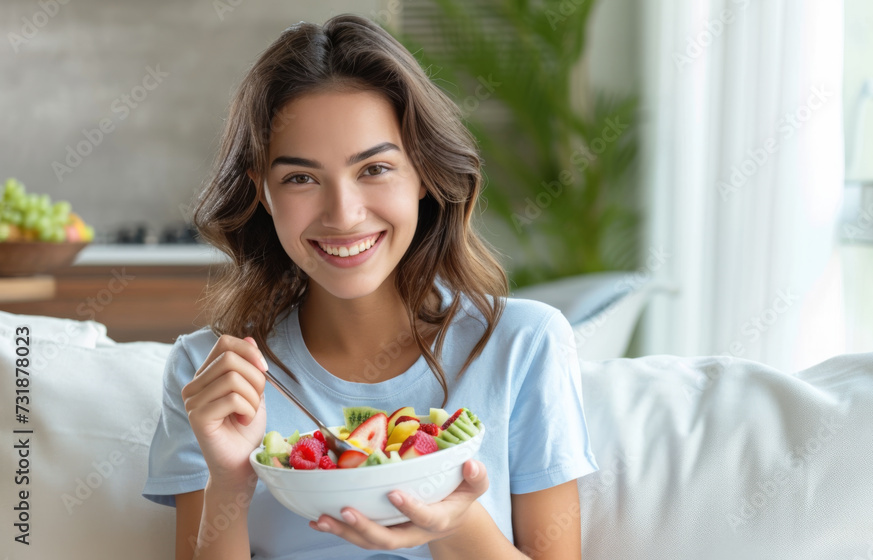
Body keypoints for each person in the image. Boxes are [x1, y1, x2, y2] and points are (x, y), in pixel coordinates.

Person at [141, 13, 598, 560]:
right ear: (262, 193)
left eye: (374, 169)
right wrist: (229, 483)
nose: (344, 213)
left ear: (424, 174)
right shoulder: (210, 374)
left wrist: (451, 518)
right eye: (301, 179)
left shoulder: (524, 345)